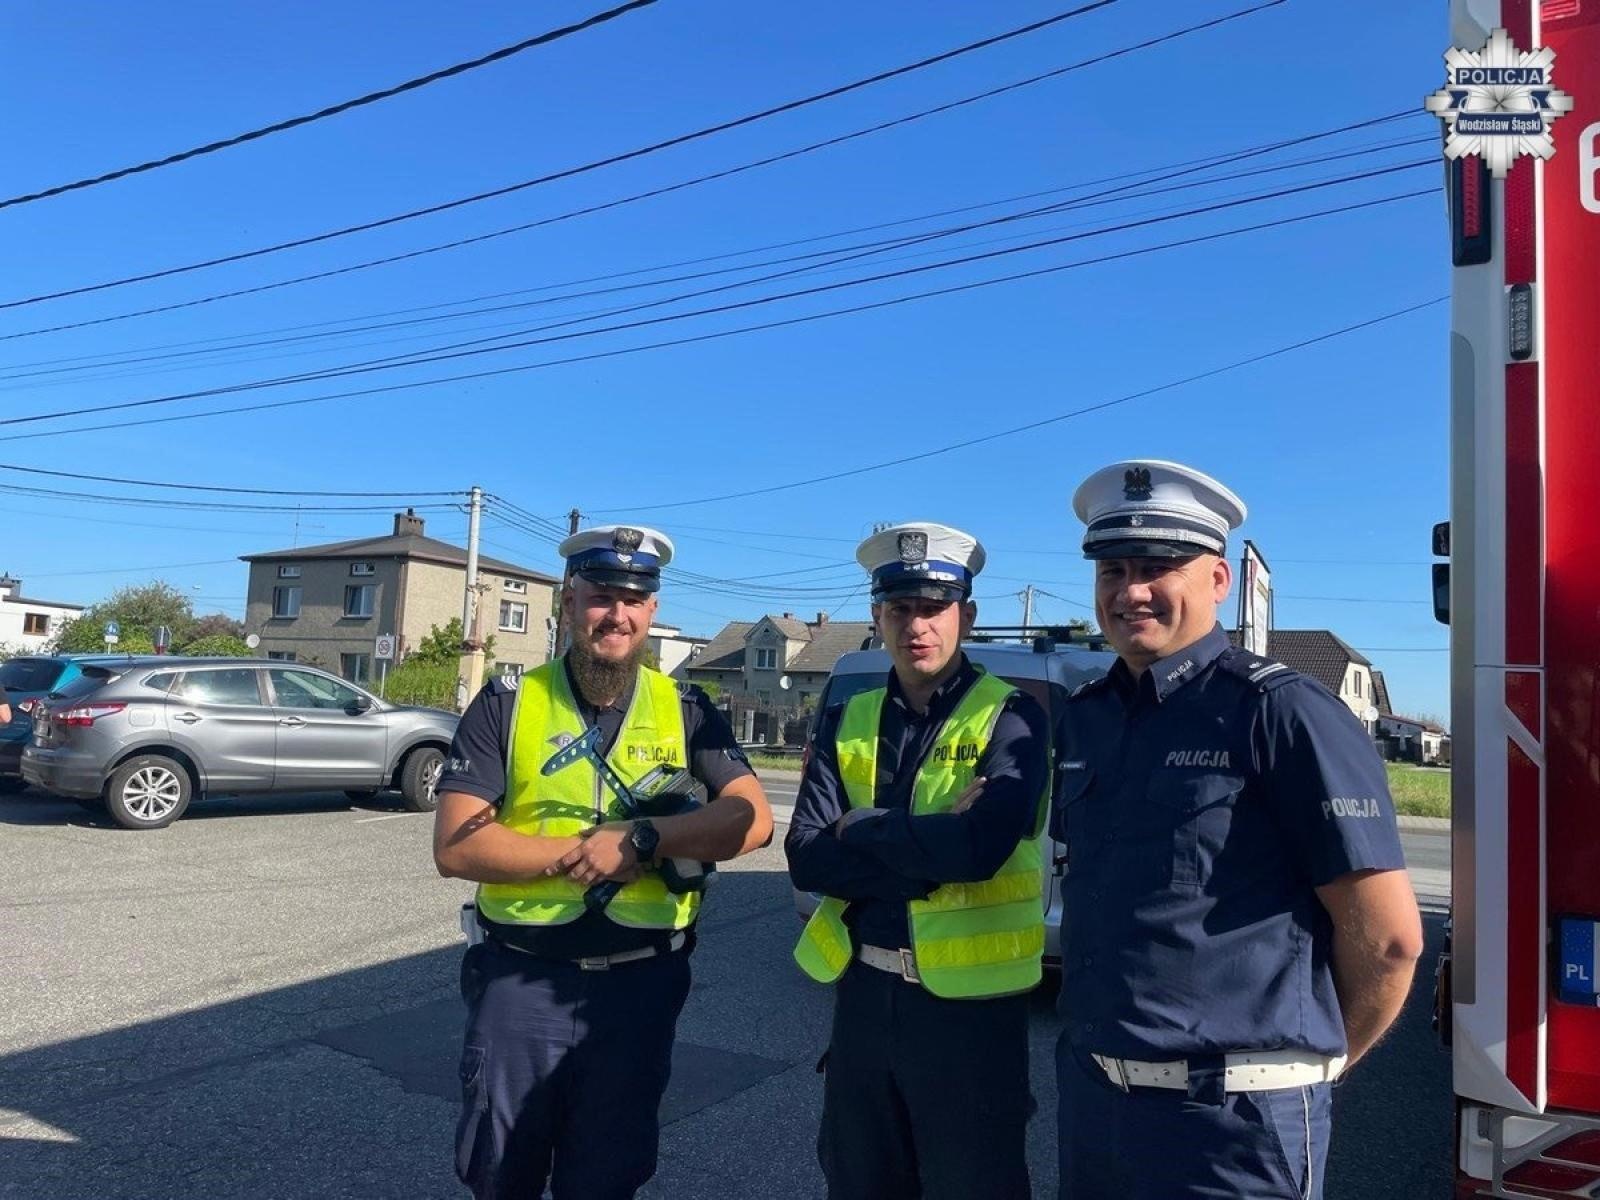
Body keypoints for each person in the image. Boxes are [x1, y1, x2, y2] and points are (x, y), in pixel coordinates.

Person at [1054, 460, 1424, 1199]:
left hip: (1236, 1129)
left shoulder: (1281, 713)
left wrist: (1308, 1071)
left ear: (1219, 581)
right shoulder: (1089, 718)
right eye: (1113, 569)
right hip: (1096, 1109)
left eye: (1159, 567)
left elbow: (1389, 940)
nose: (1130, 591)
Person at [432, 524, 773, 1200]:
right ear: (569, 602)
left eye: (633, 598)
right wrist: (584, 854)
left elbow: (752, 820)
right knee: (502, 1173)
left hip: (638, 991)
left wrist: (644, 840)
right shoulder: (507, 704)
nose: (615, 614)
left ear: (650, 611)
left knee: (607, 1178)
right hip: (520, 983)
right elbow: (458, 845)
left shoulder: (687, 708)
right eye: (600, 596)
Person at [786, 521, 1050, 1200]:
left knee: (975, 1185)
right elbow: (808, 858)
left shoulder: (1013, 715)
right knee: (860, 1180)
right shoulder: (851, 716)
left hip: (970, 1015)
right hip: (864, 998)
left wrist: (862, 825)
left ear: (966, 614)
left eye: (934, 608)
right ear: (877, 616)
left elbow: (981, 852)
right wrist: (930, 842)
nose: (916, 625)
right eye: (899, 608)